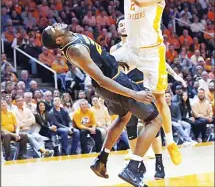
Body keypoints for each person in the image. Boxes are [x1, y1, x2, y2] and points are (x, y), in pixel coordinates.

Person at [42, 23, 162, 187]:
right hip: (113, 82)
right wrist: (134, 93)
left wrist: (114, 63)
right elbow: (101, 79)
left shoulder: (72, 39)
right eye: (53, 28)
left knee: (123, 117)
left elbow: (97, 58)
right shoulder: (75, 49)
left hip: (112, 79)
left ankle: (101, 160)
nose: (55, 24)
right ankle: (133, 168)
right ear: (59, 39)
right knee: (155, 120)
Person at [102, 0, 181, 165]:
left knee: (159, 97)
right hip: (130, 49)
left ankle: (171, 141)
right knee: (102, 63)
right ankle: (118, 105)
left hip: (151, 53)